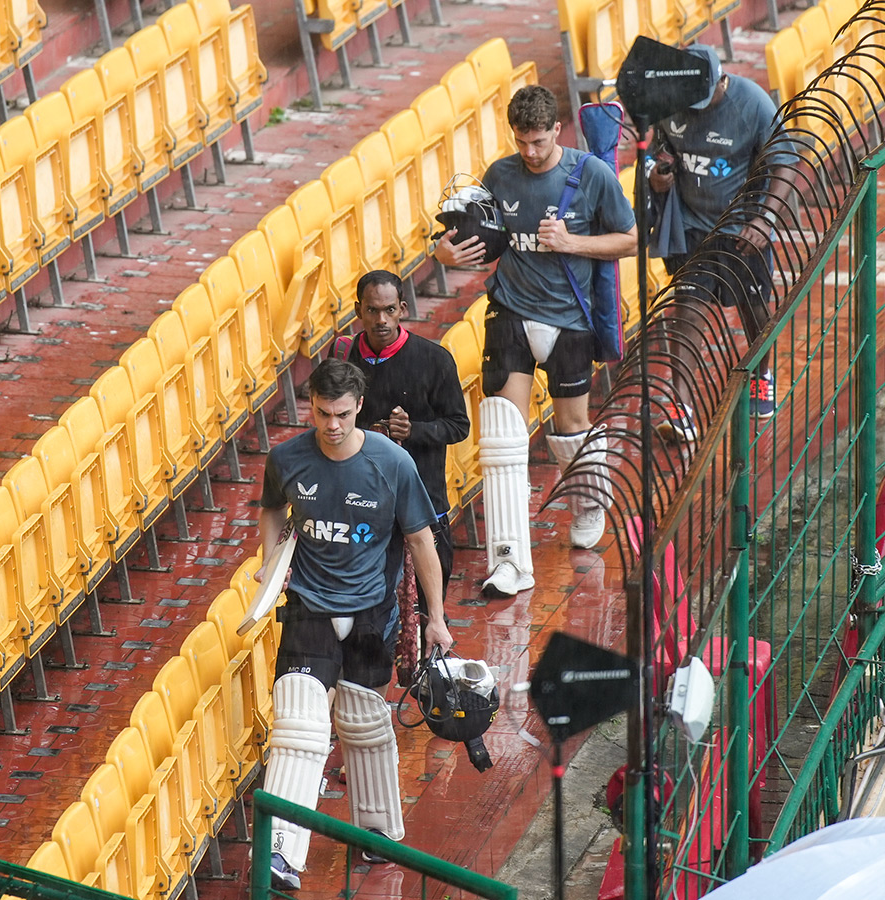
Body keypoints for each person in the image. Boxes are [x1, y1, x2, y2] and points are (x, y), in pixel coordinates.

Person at [255, 358, 454, 892]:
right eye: (322, 413)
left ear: (359, 407)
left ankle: (379, 830)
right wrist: (271, 558)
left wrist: (434, 618)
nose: (333, 425)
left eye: (342, 414)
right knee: (298, 723)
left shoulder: (392, 463)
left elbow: (420, 540)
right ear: (311, 407)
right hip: (308, 604)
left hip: (372, 611)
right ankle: (278, 853)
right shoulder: (286, 458)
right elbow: (273, 508)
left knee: (364, 724)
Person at [434, 84, 637, 598]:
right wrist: (445, 256)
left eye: (540, 142)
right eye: (523, 142)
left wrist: (572, 243)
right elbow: (472, 236)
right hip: (510, 312)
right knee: (503, 435)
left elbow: (633, 238)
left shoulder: (590, 174)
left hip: (570, 320)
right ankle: (509, 561)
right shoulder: (500, 175)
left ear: (557, 132)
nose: (531, 152)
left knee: (570, 428)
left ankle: (589, 498)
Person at [649, 43, 794, 441]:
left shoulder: (754, 104)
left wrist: (765, 218)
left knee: (752, 307)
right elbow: (656, 151)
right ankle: (680, 407)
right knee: (688, 310)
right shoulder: (669, 100)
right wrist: (656, 176)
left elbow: (786, 163)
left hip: (742, 228)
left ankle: (762, 373)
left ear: (721, 80)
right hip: (692, 229)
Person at [332, 269, 470, 654]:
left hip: (424, 501)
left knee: (430, 606)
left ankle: (429, 669)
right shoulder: (342, 356)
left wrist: (415, 432)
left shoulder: (435, 360)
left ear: (403, 309)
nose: (381, 321)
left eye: (389, 310)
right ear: (358, 311)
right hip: (362, 503)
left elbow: (459, 426)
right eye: (372, 311)